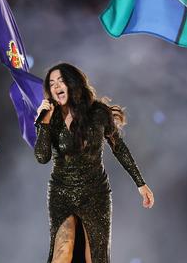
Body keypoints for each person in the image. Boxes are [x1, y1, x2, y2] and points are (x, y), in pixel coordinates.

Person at [34, 63, 154, 263]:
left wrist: (140, 183)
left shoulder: (98, 112)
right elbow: (42, 157)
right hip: (61, 193)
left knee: (96, 258)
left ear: (73, 83)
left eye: (61, 81)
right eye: (52, 84)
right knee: (62, 253)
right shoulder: (50, 116)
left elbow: (119, 147)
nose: (56, 87)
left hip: (95, 194)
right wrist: (43, 122)